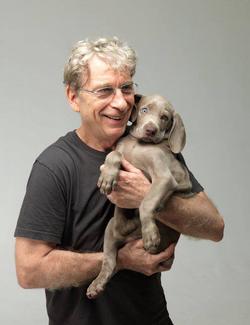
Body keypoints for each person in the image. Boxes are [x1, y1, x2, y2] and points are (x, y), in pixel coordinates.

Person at [14, 37, 224, 325]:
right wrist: (120, 260)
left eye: (126, 88)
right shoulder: (55, 166)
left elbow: (214, 227)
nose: (119, 102)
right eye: (104, 90)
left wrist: (148, 198)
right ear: (74, 97)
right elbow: (29, 271)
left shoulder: (154, 147)